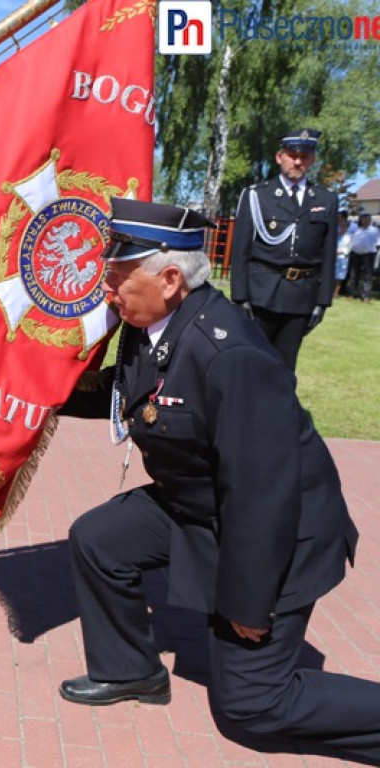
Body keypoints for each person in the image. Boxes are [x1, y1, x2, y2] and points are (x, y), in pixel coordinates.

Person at [55, 197, 380, 764]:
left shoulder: (229, 356)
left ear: (172, 277)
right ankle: (132, 672)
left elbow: (262, 496)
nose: (107, 291)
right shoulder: (155, 321)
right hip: (200, 503)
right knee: (99, 539)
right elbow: (129, 391)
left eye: (117, 278)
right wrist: (35, 394)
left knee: (253, 704)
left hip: (280, 531)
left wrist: (248, 603)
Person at [229, 129, 338, 372]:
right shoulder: (257, 196)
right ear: (280, 157)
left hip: (300, 296)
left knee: (285, 368)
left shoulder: (326, 199)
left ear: (312, 160)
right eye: (292, 155)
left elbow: (328, 254)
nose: (297, 161)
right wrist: (240, 297)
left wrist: (323, 302)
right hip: (261, 294)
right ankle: (247, 410)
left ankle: (278, 411)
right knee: (253, 363)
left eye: (304, 156)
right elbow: (240, 252)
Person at [345, 213, 380, 302]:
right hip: (355, 254)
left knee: (367, 276)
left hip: (368, 255)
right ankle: (352, 294)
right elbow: (352, 242)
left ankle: (366, 296)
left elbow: (378, 244)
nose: (365, 221)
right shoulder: (357, 230)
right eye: (363, 219)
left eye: (367, 219)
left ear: (370, 221)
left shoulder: (375, 230)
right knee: (353, 275)